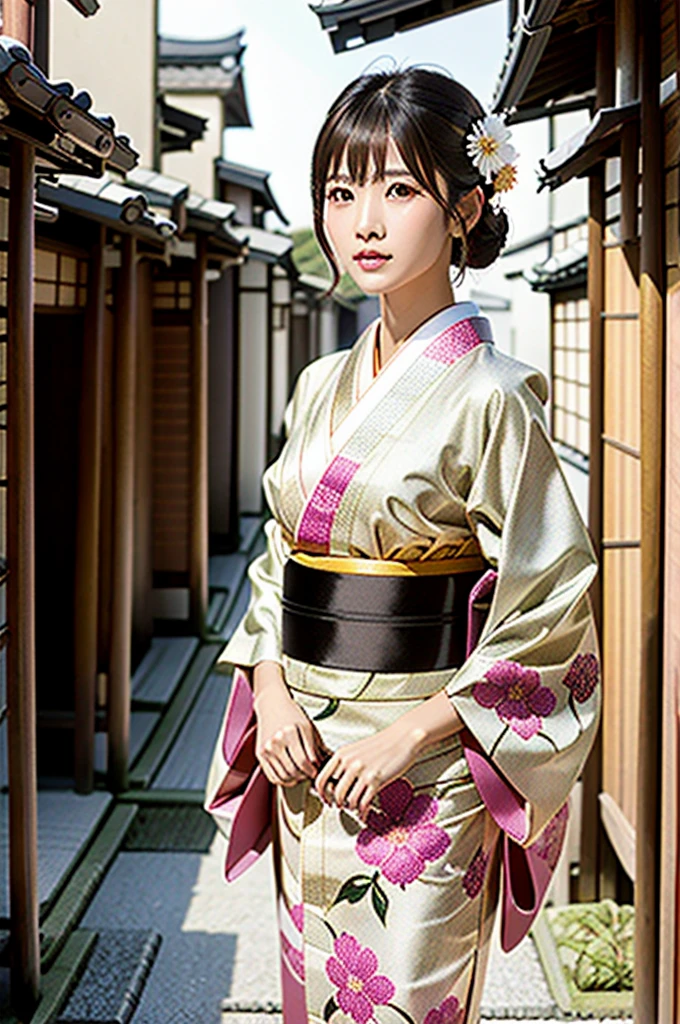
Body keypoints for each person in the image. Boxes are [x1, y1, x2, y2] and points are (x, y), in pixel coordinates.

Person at [217, 67, 600, 1024]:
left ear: (466, 206)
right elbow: (280, 559)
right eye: (341, 193)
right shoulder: (318, 385)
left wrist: (412, 733)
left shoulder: (494, 393)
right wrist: (268, 687)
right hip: (304, 758)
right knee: (316, 1000)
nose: (364, 223)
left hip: (422, 778)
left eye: (398, 189)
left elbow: (549, 606)